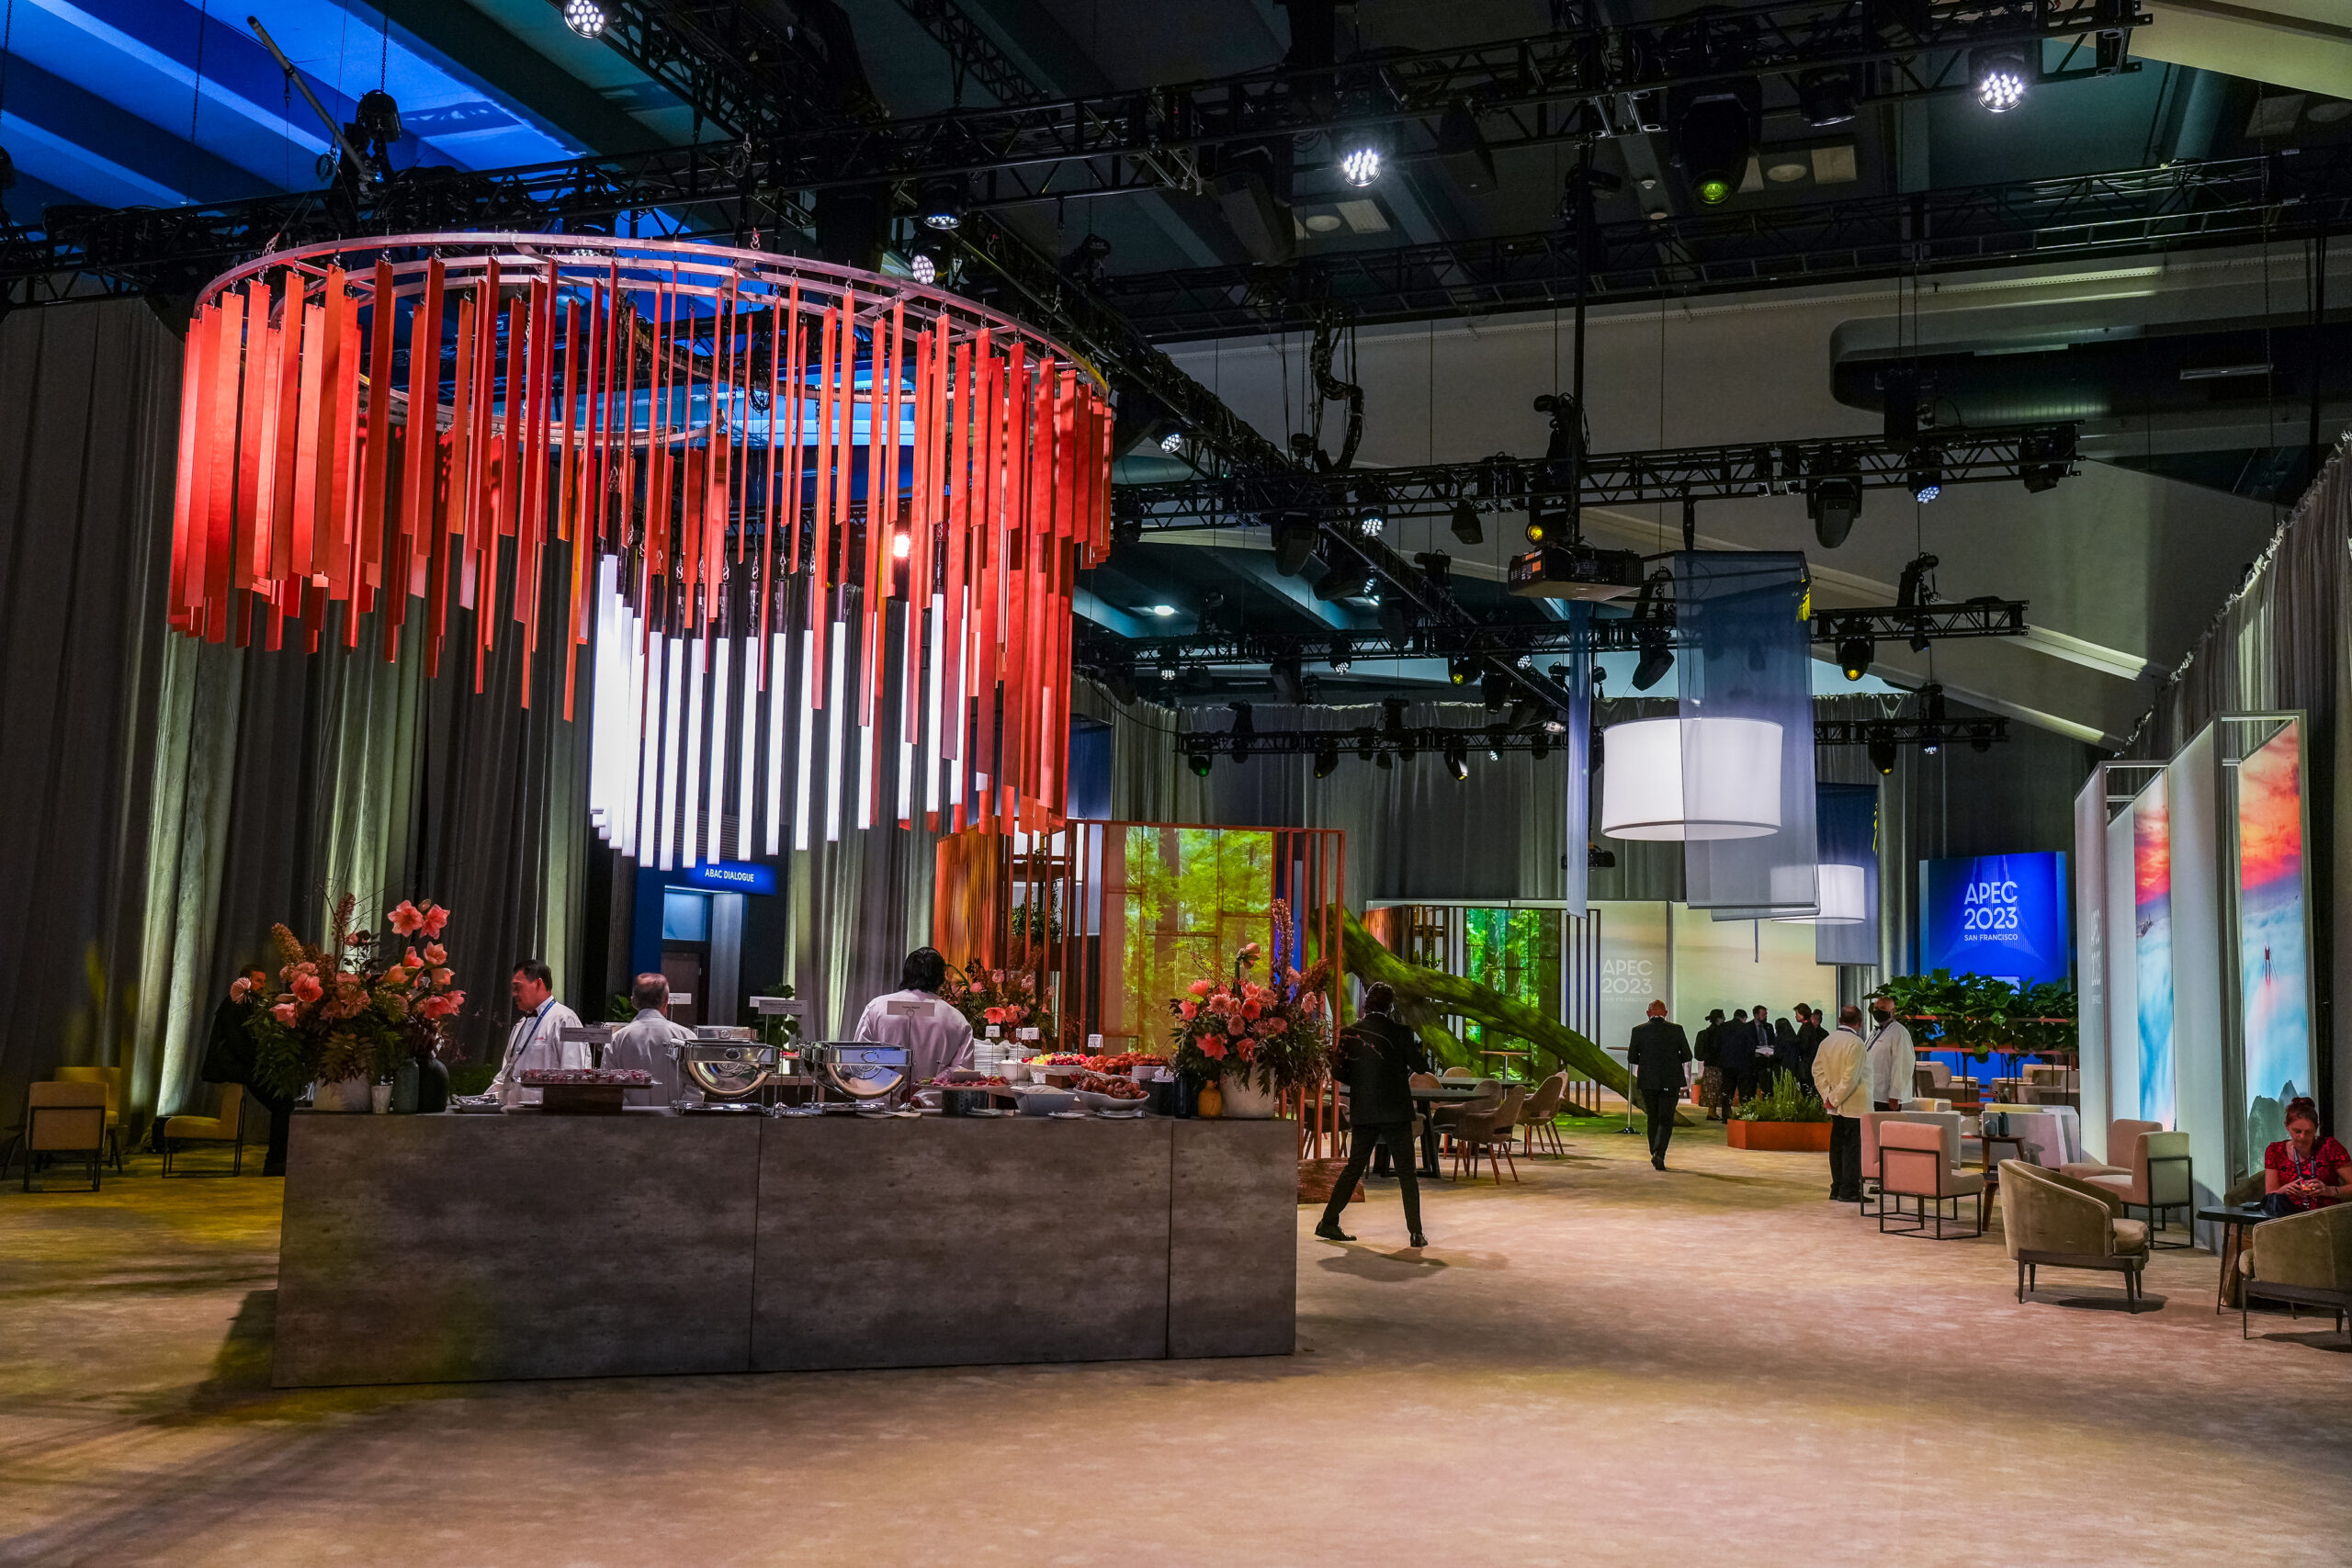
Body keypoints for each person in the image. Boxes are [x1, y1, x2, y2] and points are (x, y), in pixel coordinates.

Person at [1316, 984, 1429, 1247]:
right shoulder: (1401, 1032)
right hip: (1396, 1111)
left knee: (1354, 1167)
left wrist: (1362, 1081)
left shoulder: (1349, 1033)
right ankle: (1416, 1233)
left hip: (1364, 1109)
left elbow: (1338, 1072)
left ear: (1366, 1003)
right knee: (1407, 1173)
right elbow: (1421, 1067)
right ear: (1390, 1006)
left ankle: (1328, 1222)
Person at [854, 947, 975, 1091]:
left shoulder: (877, 1007)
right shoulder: (957, 1019)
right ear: (941, 978)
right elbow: (961, 1071)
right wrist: (924, 1088)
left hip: (878, 1098)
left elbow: (859, 1058)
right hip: (931, 1102)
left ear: (906, 973)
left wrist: (892, 1086)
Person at [491, 959, 586, 1108]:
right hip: (514, 1111)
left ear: (538, 984)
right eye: (513, 989)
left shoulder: (565, 1019)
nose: (514, 994)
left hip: (546, 1112)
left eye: (518, 987)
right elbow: (507, 1071)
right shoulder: (522, 1023)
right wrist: (486, 1101)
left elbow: (574, 1074)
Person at [1813, 1005, 1871, 1201]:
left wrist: (1828, 1096)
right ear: (1860, 1023)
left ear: (1840, 1020)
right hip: (1854, 1104)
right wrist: (1834, 1098)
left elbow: (1817, 1071)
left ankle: (1837, 1187)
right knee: (1852, 1149)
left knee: (1837, 1146)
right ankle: (1849, 1190)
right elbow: (1850, 1079)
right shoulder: (1856, 1043)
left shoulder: (1827, 1041)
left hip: (1835, 1106)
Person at [608, 972, 693, 1107]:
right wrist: (681, 1111)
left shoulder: (617, 1039)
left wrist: (629, 1112)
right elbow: (696, 1086)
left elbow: (610, 1085)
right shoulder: (687, 1037)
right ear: (666, 1000)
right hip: (677, 1116)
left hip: (628, 1117)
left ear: (633, 1002)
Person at [1626, 999, 1692, 1169]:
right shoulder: (1677, 1030)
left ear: (1648, 1013)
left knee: (1653, 1117)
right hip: (1671, 1080)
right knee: (1666, 1118)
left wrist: (1647, 1062)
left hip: (1648, 1080)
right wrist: (1672, 1060)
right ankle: (1659, 1152)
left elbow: (1632, 1058)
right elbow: (1687, 1055)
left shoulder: (1638, 1030)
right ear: (1666, 1013)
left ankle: (1654, 1151)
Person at [2263, 1097, 2349, 1213]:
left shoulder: (2330, 1147)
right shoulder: (2275, 1151)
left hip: (2326, 1215)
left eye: (2309, 1132)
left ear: (2316, 1128)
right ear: (2287, 1126)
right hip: (2288, 1216)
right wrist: (2284, 1190)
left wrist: (2330, 1191)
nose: (2302, 1137)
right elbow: (2270, 1194)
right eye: (2297, 1131)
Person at [1865, 998, 1917, 1111]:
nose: (1878, 1011)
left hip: (1886, 1097)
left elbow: (1903, 1065)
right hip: (1871, 1093)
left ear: (1893, 1011)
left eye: (1883, 1008)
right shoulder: (1874, 1032)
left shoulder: (1900, 1032)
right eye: (1876, 1008)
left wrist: (1895, 1095)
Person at [1718, 1006, 1757, 1115]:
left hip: (1727, 1065)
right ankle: (1745, 1113)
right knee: (1744, 1091)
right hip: (1743, 1065)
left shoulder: (1723, 1027)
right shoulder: (1746, 1028)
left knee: (1727, 1090)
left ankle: (1726, 1114)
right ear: (1744, 1018)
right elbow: (1751, 1046)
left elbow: (1718, 1044)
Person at [1692, 1009, 1728, 1122]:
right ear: (1718, 1019)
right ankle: (1713, 1112)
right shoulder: (1722, 1033)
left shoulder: (1703, 1033)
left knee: (1711, 1089)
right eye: (1723, 1017)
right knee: (1717, 1089)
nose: (1725, 1019)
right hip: (1720, 1065)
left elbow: (1699, 1054)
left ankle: (1711, 1111)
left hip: (1709, 1066)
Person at [1791, 1004, 1828, 1093]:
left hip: (1807, 1064)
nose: (1795, 1016)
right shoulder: (1808, 1026)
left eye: (1797, 1014)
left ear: (1802, 1014)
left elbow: (1804, 1046)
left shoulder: (1806, 1027)